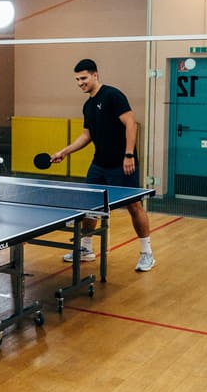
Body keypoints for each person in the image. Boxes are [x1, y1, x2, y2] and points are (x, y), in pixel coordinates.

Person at [50, 57, 155, 271]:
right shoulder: (88, 105)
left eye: (84, 78)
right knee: (91, 206)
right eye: (77, 79)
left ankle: (147, 254)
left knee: (134, 206)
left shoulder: (113, 95)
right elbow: (86, 136)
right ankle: (86, 249)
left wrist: (128, 155)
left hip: (122, 163)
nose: (80, 83)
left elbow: (131, 124)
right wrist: (65, 152)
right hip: (99, 164)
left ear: (95, 75)